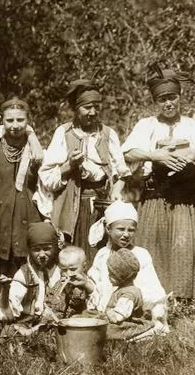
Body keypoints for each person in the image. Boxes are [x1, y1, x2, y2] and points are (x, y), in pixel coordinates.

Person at [121, 67, 195, 299]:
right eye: (162, 99)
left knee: (185, 247)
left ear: (180, 95)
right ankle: (155, 299)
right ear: (155, 102)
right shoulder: (146, 125)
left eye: (172, 97)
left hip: (188, 198)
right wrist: (155, 156)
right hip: (156, 196)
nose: (168, 103)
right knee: (156, 248)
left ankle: (188, 299)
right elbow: (126, 154)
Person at [39, 80, 129, 265]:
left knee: (102, 253)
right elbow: (47, 177)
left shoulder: (107, 134)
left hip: (102, 205)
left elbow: (122, 173)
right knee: (73, 254)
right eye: (87, 107)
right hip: (73, 207)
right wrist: (70, 165)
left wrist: (117, 189)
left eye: (96, 107)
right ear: (76, 109)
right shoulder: (64, 133)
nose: (93, 112)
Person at [0, 96, 44, 279]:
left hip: (25, 215)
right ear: (2, 120)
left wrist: (32, 137)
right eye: (9, 120)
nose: (15, 125)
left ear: (28, 121)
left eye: (20, 120)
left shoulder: (36, 151)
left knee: (24, 273)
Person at [87, 201, 167, 327]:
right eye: (121, 229)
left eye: (131, 230)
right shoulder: (102, 254)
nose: (126, 234)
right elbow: (95, 282)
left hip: (131, 311)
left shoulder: (140, 254)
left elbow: (151, 289)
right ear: (108, 229)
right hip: (105, 311)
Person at [2, 221, 63, 330]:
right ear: (29, 250)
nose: (42, 255)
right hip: (30, 323)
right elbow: (11, 304)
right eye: (36, 250)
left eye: (47, 249)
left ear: (55, 246)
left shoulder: (64, 268)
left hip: (60, 319)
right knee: (10, 330)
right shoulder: (25, 273)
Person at [105, 248, 163, 340]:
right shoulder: (125, 289)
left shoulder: (128, 295)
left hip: (128, 323)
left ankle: (144, 333)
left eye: (112, 275)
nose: (108, 276)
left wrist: (109, 313)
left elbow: (118, 317)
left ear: (121, 277)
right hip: (123, 321)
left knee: (106, 329)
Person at [49, 246, 94, 319]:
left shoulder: (86, 282)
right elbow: (51, 298)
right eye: (64, 270)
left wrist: (86, 285)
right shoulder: (61, 282)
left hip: (80, 320)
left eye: (73, 269)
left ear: (84, 266)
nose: (69, 273)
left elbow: (93, 297)